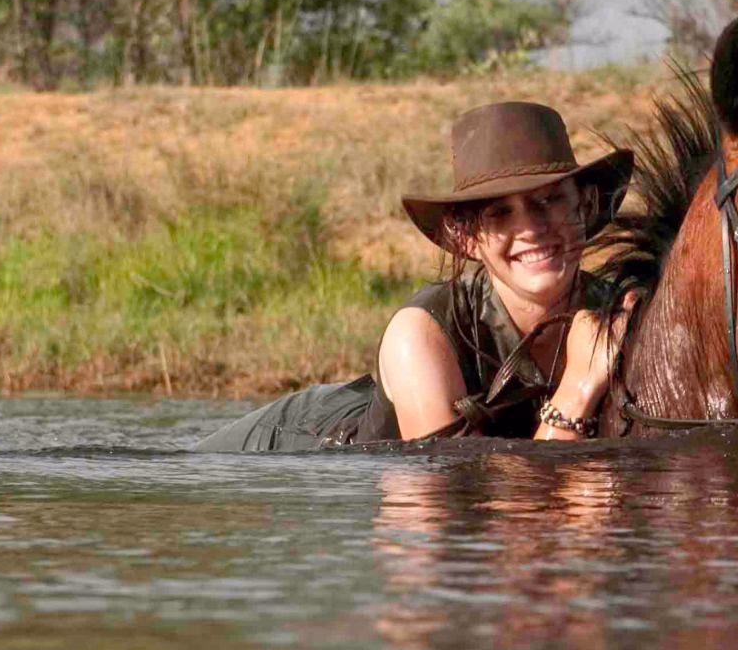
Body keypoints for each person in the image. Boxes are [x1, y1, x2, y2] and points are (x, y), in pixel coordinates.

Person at [193, 101, 634, 452]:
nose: (531, 229)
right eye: (501, 212)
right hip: (281, 452)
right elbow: (463, 499)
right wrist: (578, 388)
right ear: (467, 239)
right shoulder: (419, 334)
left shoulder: (622, 311)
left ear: (586, 206)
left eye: (551, 200)